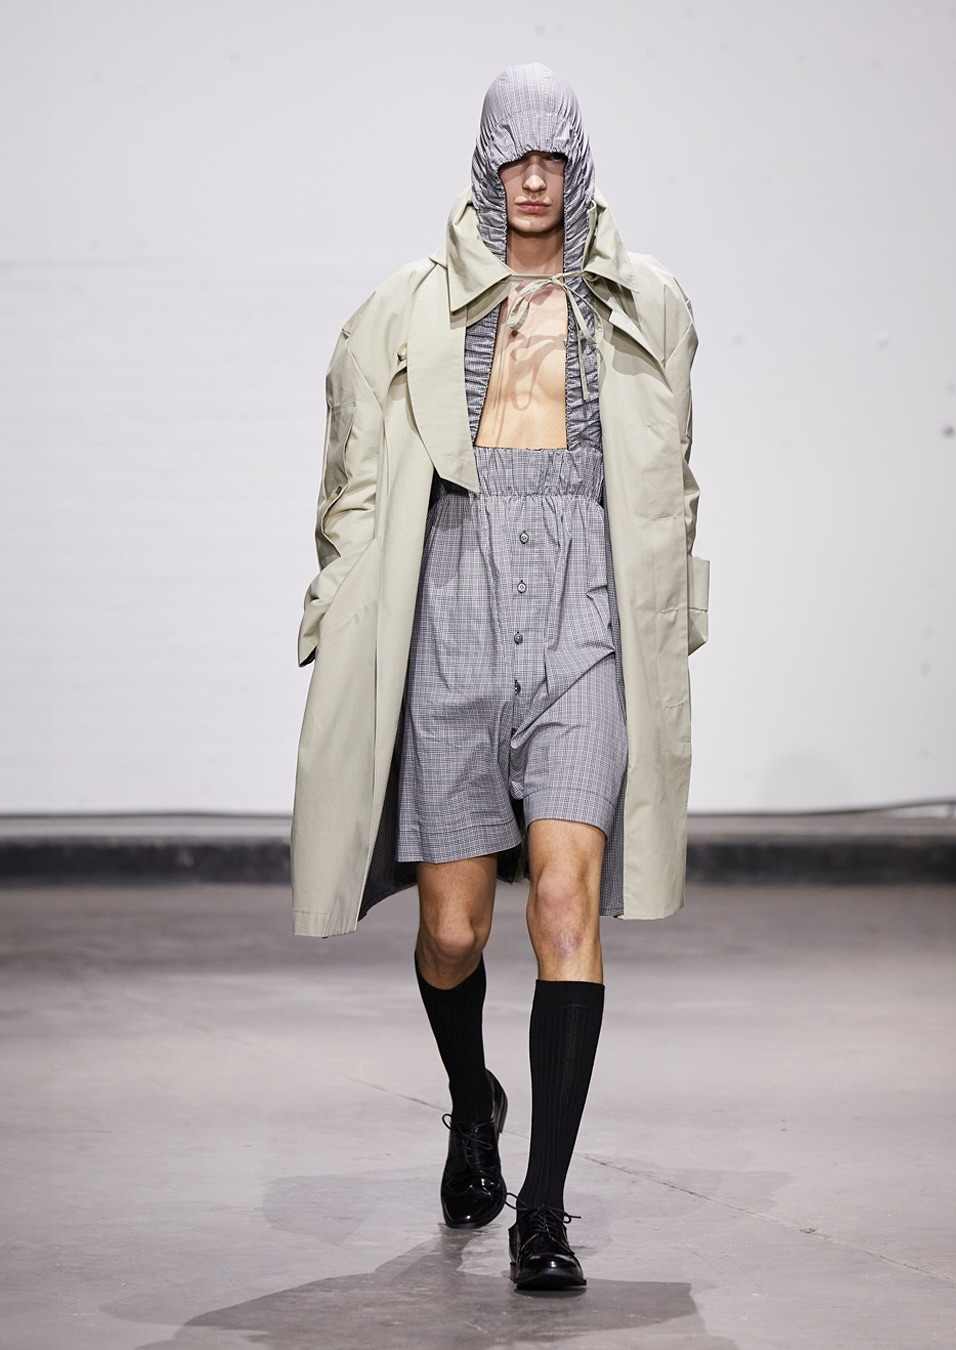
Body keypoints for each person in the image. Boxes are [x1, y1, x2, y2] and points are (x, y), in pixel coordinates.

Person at [290, 61, 708, 1294]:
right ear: (485, 164)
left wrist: (668, 610)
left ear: (578, 163)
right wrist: (338, 602)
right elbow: (352, 477)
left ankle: (544, 1209)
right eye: (514, 156)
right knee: (454, 929)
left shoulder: (646, 304)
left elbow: (673, 474)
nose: (534, 178)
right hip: (453, 608)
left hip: (583, 615)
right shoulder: (405, 308)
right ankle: (473, 1100)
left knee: (566, 905)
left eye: (553, 156)